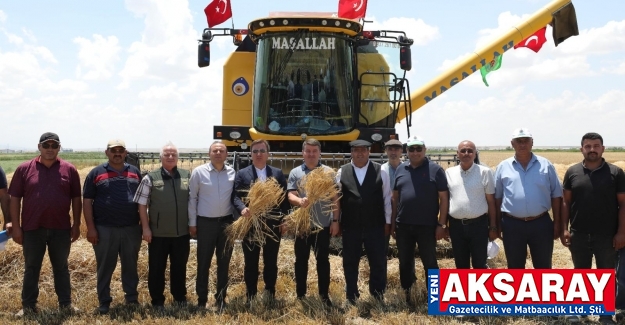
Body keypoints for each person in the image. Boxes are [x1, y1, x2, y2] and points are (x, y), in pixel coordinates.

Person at [6, 132, 82, 316]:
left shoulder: (69, 170)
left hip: (61, 228)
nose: (50, 149)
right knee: (31, 268)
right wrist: (16, 226)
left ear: (59, 148)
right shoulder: (24, 169)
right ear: (39, 147)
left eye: (53, 146)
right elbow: (14, 199)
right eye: (46, 145)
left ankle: (66, 304)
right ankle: (28, 306)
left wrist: (77, 224)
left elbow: (76, 199)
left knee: (61, 267)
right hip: (32, 228)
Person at [561, 133, 625, 325]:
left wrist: (621, 232)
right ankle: (582, 312)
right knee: (581, 273)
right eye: (587, 146)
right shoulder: (572, 172)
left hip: (607, 235)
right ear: (581, 149)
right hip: (579, 234)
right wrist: (564, 229)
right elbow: (566, 202)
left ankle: (605, 315)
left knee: (606, 274)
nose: (592, 150)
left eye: (596, 146)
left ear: (603, 148)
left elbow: (623, 204)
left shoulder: (616, 173)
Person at [83, 139, 142, 314]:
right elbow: (87, 202)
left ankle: (131, 298)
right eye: (113, 150)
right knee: (105, 266)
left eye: (120, 150)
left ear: (126, 153)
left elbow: (143, 202)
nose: (117, 153)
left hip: (131, 228)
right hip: (104, 229)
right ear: (106, 152)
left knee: (130, 265)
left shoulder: (135, 172)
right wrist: (91, 228)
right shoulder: (96, 173)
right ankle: (104, 301)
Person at [391, 136, 448, 305]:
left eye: (418, 149)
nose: (415, 152)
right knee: (405, 262)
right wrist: (393, 223)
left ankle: (436, 298)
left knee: (430, 262)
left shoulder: (436, 170)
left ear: (425, 150)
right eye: (411, 149)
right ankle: (408, 295)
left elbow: (444, 198)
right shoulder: (400, 169)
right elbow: (395, 198)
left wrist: (441, 224)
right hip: (403, 226)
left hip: (427, 226)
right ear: (406, 151)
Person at [133, 142, 191, 309]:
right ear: (161, 157)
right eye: (167, 154)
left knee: (179, 268)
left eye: (173, 154)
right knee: (157, 269)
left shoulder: (187, 176)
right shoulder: (150, 178)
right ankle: (157, 300)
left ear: (178, 157)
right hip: (158, 233)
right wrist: (145, 228)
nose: (171, 157)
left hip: (182, 233)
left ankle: (179, 298)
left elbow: (193, 201)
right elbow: (141, 204)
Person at [494, 128, 562, 269]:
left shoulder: (546, 165)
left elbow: (556, 195)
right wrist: (497, 223)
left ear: (532, 143)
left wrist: (557, 222)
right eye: (519, 141)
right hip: (512, 225)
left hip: (541, 224)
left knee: (543, 266)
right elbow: (497, 197)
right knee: (515, 267)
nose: (522, 144)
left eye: (526, 141)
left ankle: (542, 291)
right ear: (512, 144)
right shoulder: (503, 167)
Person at [233, 139, 289, 306]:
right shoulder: (242, 174)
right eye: (255, 151)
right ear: (251, 154)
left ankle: (270, 294)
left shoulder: (277, 174)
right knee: (251, 262)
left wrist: (284, 219)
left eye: (262, 151)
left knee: (271, 262)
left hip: (272, 225)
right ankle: (251, 296)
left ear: (268, 154)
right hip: (250, 224)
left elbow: (284, 199)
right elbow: (235, 196)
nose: (259, 154)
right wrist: (242, 208)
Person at [336, 139, 392, 304]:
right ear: (351, 152)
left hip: (374, 225)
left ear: (369, 152)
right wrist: (337, 222)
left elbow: (387, 199)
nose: (360, 153)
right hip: (350, 226)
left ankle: (377, 295)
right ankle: (351, 296)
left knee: (378, 261)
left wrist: (387, 222)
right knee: (350, 262)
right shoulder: (341, 172)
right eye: (356, 150)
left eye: (363, 150)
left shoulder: (381, 171)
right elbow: (336, 200)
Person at [287, 138, 340, 307]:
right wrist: (299, 201)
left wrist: (335, 220)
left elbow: (335, 198)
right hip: (302, 226)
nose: (311, 154)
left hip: (322, 225)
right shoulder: (295, 172)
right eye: (308, 151)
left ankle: (324, 295)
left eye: (314, 151)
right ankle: (301, 295)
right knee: (301, 261)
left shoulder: (328, 173)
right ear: (303, 153)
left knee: (323, 260)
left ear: (319, 153)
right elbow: (290, 195)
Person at [188, 141, 236, 311]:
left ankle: (221, 297)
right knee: (203, 262)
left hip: (226, 224)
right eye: (214, 150)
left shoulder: (232, 173)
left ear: (226, 154)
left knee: (224, 262)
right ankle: (201, 299)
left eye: (221, 150)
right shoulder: (198, 173)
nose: (218, 153)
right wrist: (192, 223)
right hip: (205, 223)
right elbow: (192, 198)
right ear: (209, 154)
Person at [445, 140, 497, 269]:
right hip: (456, 226)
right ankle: (464, 289)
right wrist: (444, 225)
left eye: (470, 151)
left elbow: (491, 202)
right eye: (463, 151)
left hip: (479, 226)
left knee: (479, 264)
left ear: (475, 154)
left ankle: (478, 289)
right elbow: (446, 200)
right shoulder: (449, 173)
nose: (466, 153)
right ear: (457, 154)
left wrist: (493, 227)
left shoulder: (485, 172)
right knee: (461, 265)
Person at [381, 139, 403, 254]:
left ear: (401, 151)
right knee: (382, 249)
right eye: (390, 149)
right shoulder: (380, 170)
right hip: (385, 213)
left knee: (405, 251)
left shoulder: (407, 169)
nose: (393, 152)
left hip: (403, 213)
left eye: (396, 149)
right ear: (386, 151)